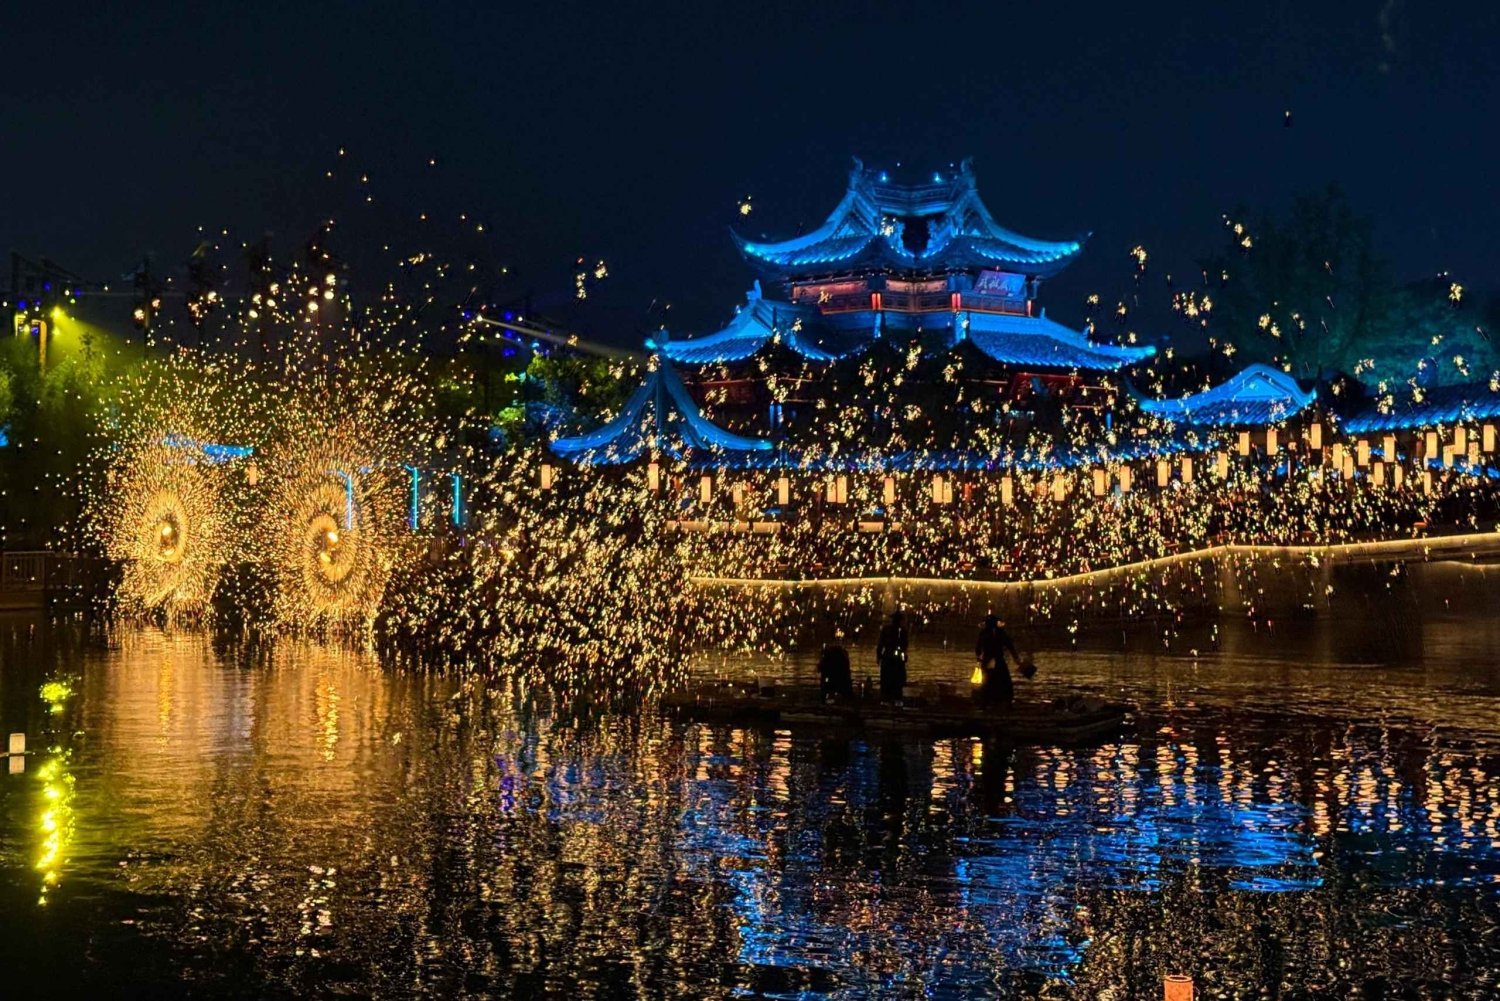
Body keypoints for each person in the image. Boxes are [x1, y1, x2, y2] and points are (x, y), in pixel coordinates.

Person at [975, 613, 1021, 705]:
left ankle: (989, 699)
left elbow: (978, 648)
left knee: (989, 680)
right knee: (1000, 679)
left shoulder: (985, 633)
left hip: (989, 659)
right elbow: (1010, 646)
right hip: (997, 659)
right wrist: (1016, 658)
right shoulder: (999, 633)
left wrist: (979, 659)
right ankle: (1000, 699)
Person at [876, 611, 909, 703]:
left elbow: (880, 644)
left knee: (891, 680)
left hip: (891, 657)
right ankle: (891, 699)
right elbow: (881, 643)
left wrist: (879, 656)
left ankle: (889, 699)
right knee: (892, 680)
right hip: (891, 657)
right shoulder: (898, 630)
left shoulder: (900, 631)